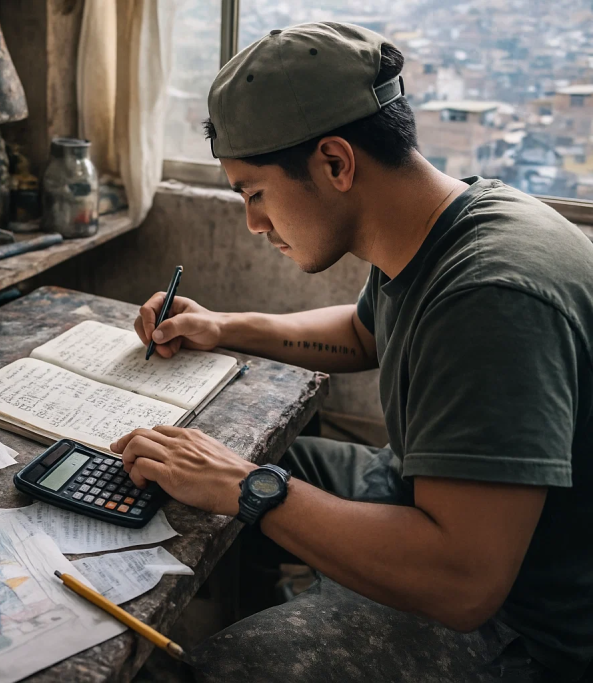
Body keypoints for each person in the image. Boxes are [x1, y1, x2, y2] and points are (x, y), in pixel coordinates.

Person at [111, 22, 592, 682]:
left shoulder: (492, 296)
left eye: (253, 192)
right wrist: (225, 326)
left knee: (213, 666)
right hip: (419, 497)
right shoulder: (441, 223)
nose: (253, 223)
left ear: (335, 162)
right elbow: (368, 331)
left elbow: (463, 583)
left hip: (527, 626)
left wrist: (244, 486)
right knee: (219, 463)